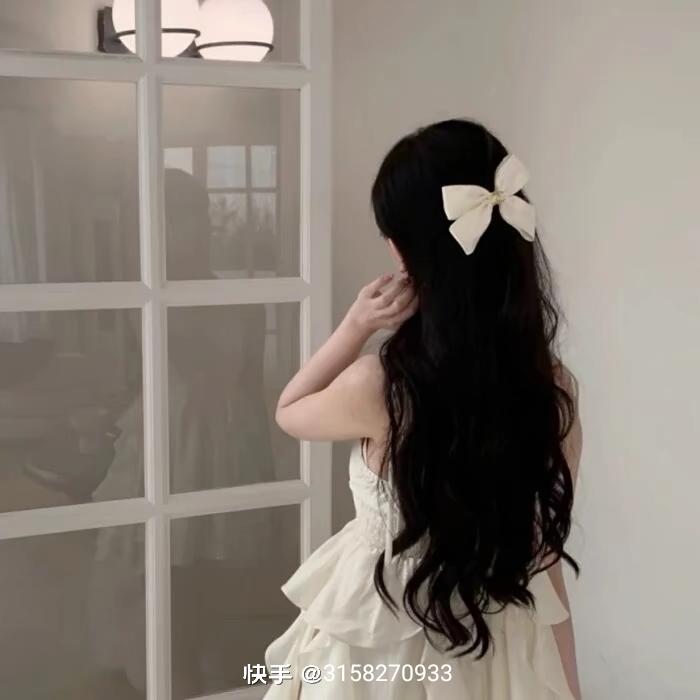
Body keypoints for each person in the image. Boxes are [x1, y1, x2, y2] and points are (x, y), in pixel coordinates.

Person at [264, 119, 583, 699]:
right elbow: (545, 560)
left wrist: (355, 325)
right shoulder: (553, 388)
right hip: (500, 645)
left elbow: (290, 409)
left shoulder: (380, 387)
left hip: (382, 646)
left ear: (406, 252)